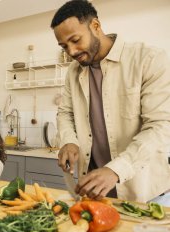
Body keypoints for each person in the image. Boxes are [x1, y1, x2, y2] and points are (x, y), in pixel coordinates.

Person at [51, 0, 170, 204]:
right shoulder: (73, 70)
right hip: (96, 193)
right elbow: (66, 113)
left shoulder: (149, 59)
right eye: (64, 46)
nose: (71, 51)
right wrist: (69, 140)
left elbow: (160, 126)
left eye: (75, 40)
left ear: (95, 26)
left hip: (145, 194)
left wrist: (116, 169)